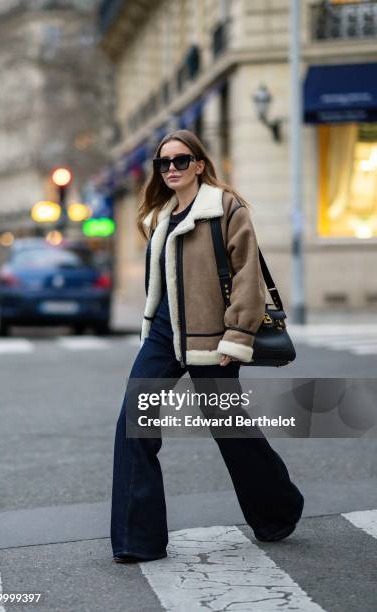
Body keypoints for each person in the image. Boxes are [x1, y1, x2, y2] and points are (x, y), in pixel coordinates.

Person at [110, 129, 304, 563]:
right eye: (164, 163)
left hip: (212, 339)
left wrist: (236, 338)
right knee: (132, 424)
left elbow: (246, 277)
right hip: (163, 336)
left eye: (181, 160)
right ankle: (136, 540)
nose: (172, 168)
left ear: (199, 163)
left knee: (232, 433)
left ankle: (278, 510)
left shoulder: (225, 207)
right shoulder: (161, 215)